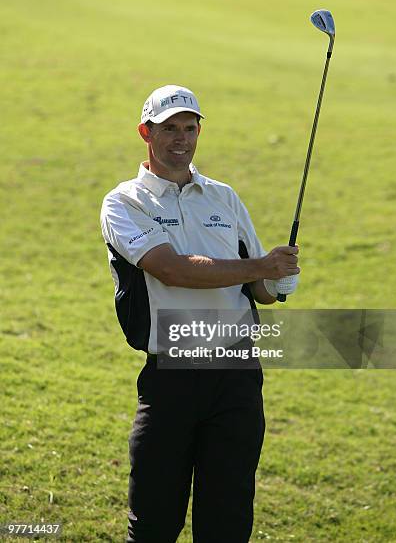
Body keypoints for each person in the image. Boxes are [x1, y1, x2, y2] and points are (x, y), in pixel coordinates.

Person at [100, 85, 300, 543]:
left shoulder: (223, 198)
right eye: (169, 128)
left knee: (227, 521)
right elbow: (171, 270)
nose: (181, 139)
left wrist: (276, 280)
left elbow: (258, 290)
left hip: (237, 375)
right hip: (172, 374)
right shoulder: (125, 201)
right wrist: (260, 266)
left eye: (190, 128)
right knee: (153, 522)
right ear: (145, 132)